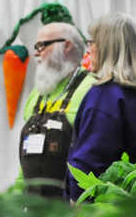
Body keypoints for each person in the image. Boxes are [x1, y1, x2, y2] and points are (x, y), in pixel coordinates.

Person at [66, 13, 136, 201]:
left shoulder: (105, 96)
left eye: (92, 42)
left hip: (108, 214)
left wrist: (77, 205)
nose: (88, 50)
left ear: (107, 47)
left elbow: (89, 163)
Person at [18, 21, 95, 198]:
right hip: (34, 206)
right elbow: (26, 159)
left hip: (73, 206)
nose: (36, 52)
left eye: (42, 45)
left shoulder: (91, 89)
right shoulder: (37, 94)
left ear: (67, 46)